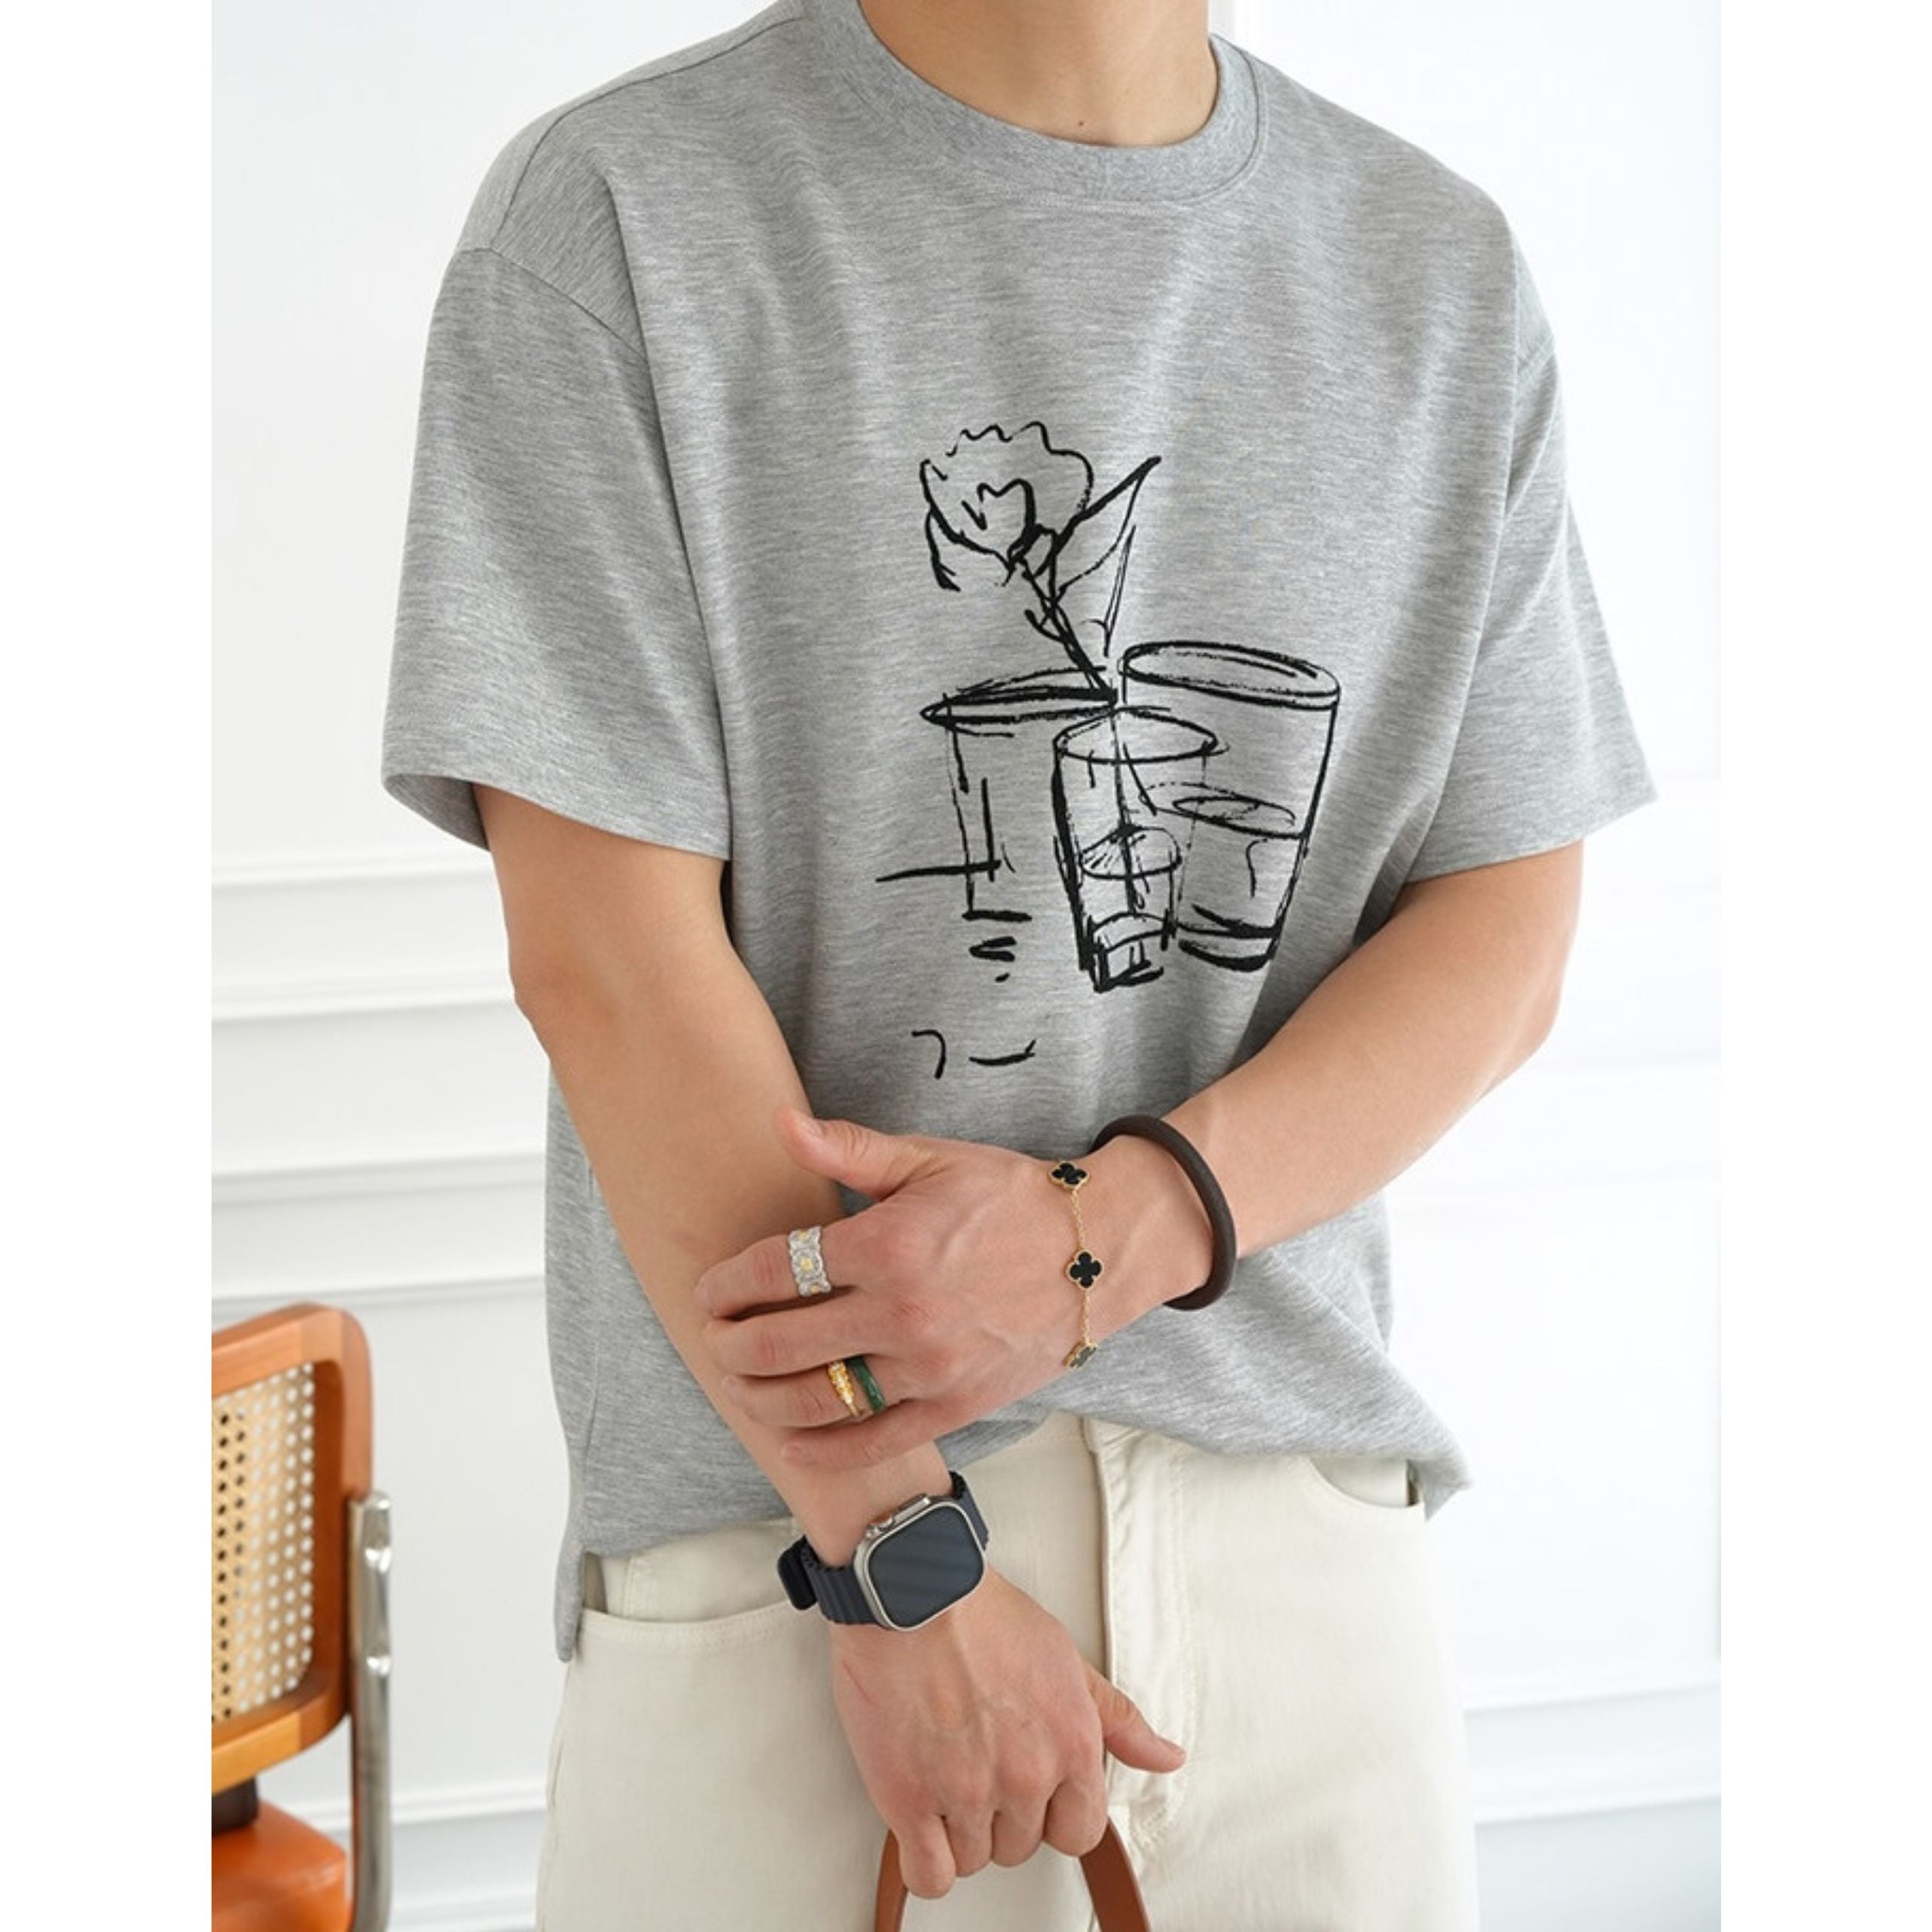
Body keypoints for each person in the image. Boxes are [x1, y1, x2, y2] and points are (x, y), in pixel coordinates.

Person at [380, 1, 1657, 1925]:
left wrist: (1102, 1235)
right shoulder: (625, 213)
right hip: (794, 1571)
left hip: (1296, 1548)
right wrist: (896, 1549)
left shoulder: (1435, 264)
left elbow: (1504, 927)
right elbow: (608, 963)